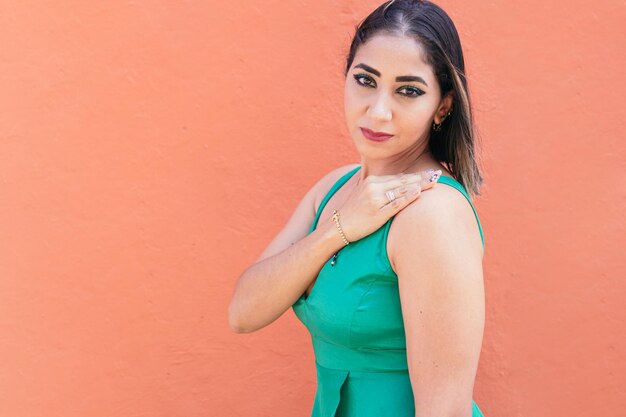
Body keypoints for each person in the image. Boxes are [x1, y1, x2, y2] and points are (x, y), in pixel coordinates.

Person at [228, 0, 486, 416]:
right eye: (365, 80)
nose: (378, 111)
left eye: (409, 90)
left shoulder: (431, 215)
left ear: (443, 105)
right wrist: (336, 229)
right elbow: (243, 312)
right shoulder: (336, 188)